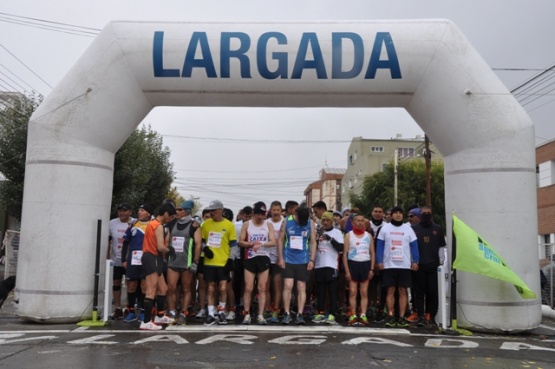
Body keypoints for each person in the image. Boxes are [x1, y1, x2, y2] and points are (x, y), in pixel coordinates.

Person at [376, 206, 419, 328]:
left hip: (404, 265)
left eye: (400, 213)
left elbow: (414, 246)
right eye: (396, 213)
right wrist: (379, 261)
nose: (398, 215)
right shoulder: (385, 228)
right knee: (390, 290)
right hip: (389, 265)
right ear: (391, 215)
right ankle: (390, 316)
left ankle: (401, 317)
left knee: (403, 290)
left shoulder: (408, 229)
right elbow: (379, 246)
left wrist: (415, 260)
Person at [277, 205, 317, 325]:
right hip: (288, 258)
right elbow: (280, 240)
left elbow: (313, 242)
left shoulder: (310, 223)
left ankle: (300, 314)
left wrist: (312, 260)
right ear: (296, 214)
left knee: (301, 287)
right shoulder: (286, 221)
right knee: (288, 285)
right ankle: (287, 313)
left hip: (303, 259)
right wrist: (280, 258)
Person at [140, 203, 177, 331]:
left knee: (163, 288)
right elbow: (161, 246)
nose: (171, 220)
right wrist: (170, 250)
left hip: (155, 257)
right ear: (166, 214)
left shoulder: (153, 223)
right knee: (151, 290)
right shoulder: (158, 226)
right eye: (171, 217)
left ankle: (160, 315)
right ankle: (145, 321)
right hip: (152, 257)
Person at [238, 201, 276, 325]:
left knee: (262, 287)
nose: (261, 217)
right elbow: (240, 242)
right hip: (250, 257)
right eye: (258, 214)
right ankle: (247, 314)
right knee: (248, 287)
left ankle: (260, 315)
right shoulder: (247, 224)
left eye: (263, 214)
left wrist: (262, 244)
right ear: (254, 213)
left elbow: (273, 241)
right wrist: (250, 244)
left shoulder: (268, 224)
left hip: (264, 257)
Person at [201, 200, 238, 326]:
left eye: (214, 210)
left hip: (223, 262)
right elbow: (201, 240)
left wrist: (231, 259)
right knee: (211, 288)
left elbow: (233, 244)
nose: (212, 213)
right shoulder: (205, 224)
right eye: (210, 210)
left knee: (223, 288)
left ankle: (222, 312)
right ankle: (211, 314)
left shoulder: (229, 225)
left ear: (221, 210)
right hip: (210, 262)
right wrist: (205, 248)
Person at [166, 200, 202, 325]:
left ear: (187, 211)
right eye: (176, 209)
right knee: (171, 288)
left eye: (180, 209)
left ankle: (183, 313)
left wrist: (195, 262)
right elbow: (166, 241)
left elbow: (198, 245)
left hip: (187, 263)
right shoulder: (172, 224)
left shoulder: (194, 226)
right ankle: (171, 312)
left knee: (186, 289)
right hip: (173, 262)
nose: (177, 212)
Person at [410, 205, 446, 326]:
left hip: (433, 265)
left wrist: (441, 262)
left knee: (433, 292)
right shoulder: (413, 228)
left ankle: (430, 315)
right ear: (420, 214)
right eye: (424, 213)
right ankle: (420, 315)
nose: (426, 215)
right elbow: (411, 246)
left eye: (428, 213)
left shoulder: (437, 228)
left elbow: (441, 246)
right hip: (419, 265)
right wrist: (413, 261)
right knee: (419, 292)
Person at [121, 203, 153, 323]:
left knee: (145, 286)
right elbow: (125, 242)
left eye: (142, 210)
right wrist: (124, 259)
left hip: (147, 259)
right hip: (133, 259)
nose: (139, 212)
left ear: (148, 213)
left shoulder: (154, 225)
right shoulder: (133, 225)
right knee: (131, 285)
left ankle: (144, 312)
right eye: (138, 210)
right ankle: (131, 311)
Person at [343, 213, 375, 326]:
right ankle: (353, 314)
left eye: (362, 220)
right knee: (352, 292)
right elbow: (345, 254)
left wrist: (371, 269)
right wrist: (347, 270)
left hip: (365, 264)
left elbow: (372, 253)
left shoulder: (368, 236)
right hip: (352, 264)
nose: (360, 222)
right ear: (353, 223)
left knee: (364, 292)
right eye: (358, 220)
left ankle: (363, 314)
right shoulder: (348, 235)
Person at [312, 211, 344, 324]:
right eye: (324, 220)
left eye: (328, 220)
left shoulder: (337, 232)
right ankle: (320, 312)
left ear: (331, 222)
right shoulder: (318, 232)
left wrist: (330, 239)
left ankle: (332, 313)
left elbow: (341, 248)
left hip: (331, 265)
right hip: (319, 265)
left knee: (332, 291)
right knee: (320, 291)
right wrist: (317, 237)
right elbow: (312, 246)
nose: (325, 222)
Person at [108, 203, 134, 320]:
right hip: (116, 259)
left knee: (130, 285)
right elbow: (108, 241)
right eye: (120, 211)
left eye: (124, 211)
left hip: (130, 260)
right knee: (116, 283)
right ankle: (118, 308)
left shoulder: (135, 223)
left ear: (130, 212)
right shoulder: (112, 223)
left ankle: (129, 308)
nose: (122, 213)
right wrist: (107, 257)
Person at [266, 201, 284, 323]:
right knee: (265, 286)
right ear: (270, 211)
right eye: (274, 210)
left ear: (281, 210)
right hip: (267, 257)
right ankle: (267, 309)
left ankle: (276, 310)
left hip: (279, 258)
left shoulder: (285, 222)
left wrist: (281, 257)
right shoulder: (267, 223)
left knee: (277, 285)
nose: (276, 212)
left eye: (278, 210)